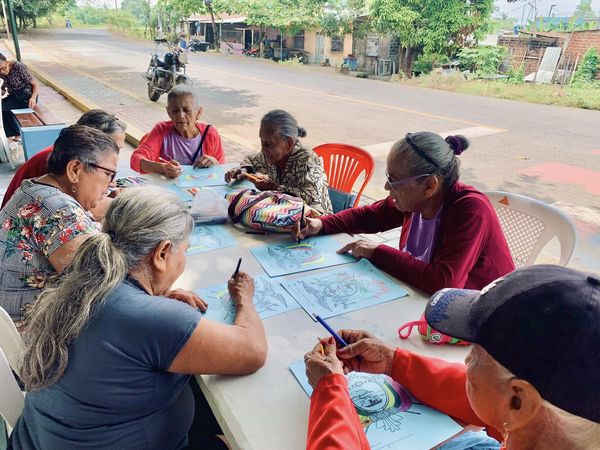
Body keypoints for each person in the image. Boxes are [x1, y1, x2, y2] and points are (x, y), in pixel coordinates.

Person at [11, 187, 267, 449]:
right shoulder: (149, 318)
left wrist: (155, 299)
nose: (184, 260)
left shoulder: (84, 282)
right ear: (162, 253)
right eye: (184, 251)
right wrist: (244, 298)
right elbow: (253, 351)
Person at [304, 265, 600, 450]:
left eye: (475, 354)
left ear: (517, 401)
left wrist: (330, 391)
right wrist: (393, 361)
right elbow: (484, 397)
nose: (466, 362)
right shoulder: (560, 426)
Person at [293, 132, 513, 293]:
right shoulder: (415, 201)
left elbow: (443, 281)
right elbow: (370, 216)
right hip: (429, 299)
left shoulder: (470, 209)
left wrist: (376, 251)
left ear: (429, 185)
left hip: (482, 311)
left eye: (394, 181)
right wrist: (321, 224)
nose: (387, 187)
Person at [0, 125, 119, 327]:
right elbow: (102, 283)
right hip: (32, 333)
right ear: (75, 170)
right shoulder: (60, 210)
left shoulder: (33, 189)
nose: (112, 184)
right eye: (109, 174)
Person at [2, 109, 127, 208]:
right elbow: (69, 208)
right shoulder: (54, 161)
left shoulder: (65, 153)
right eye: (110, 148)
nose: (115, 156)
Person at [225, 110, 333, 214]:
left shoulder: (307, 160)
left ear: (289, 143)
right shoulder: (273, 155)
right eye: (262, 142)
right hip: (282, 213)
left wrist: (274, 188)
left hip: (316, 221)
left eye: (268, 144)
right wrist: (244, 170)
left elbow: (311, 197)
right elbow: (251, 160)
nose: (263, 149)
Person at [130, 85, 224, 178]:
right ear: (168, 112)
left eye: (186, 110)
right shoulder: (161, 130)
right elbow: (135, 160)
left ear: (198, 113)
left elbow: (222, 169)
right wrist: (162, 168)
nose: (181, 116)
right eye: (175, 111)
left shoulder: (210, 133)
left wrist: (215, 163)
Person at [0, 53, 39, 138]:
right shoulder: (1, 72)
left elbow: (35, 84)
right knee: (1, 107)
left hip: (27, 96)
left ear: (7, 62)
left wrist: (33, 98)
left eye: (4, 68)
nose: (2, 72)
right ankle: (12, 134)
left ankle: (16, 134)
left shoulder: (18, 67)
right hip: (13, 96)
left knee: (4, 109)